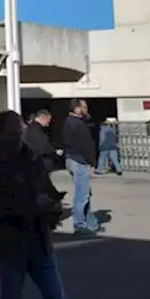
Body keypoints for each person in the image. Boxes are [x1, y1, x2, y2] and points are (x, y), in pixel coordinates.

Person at [0, 110, 69, 299]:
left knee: (56, 298)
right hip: (11, 243)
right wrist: (34, 206)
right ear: (0, 134)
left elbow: (46, 188)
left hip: (39, 241)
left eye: (19, 133)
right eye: (12, 134)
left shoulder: (32, 160)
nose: (17, 139)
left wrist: (53, 205)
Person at [61, 98, 100, 234]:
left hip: (72, 159)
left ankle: (91, 222)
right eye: (84, 107)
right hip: (80, 161)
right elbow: (86, 145)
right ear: (77, 109)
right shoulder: (78, 124)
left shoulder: (68, 122)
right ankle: (79, 225)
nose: (86, 110)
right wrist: (93, 162)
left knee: (84, 193)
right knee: (82, 195)